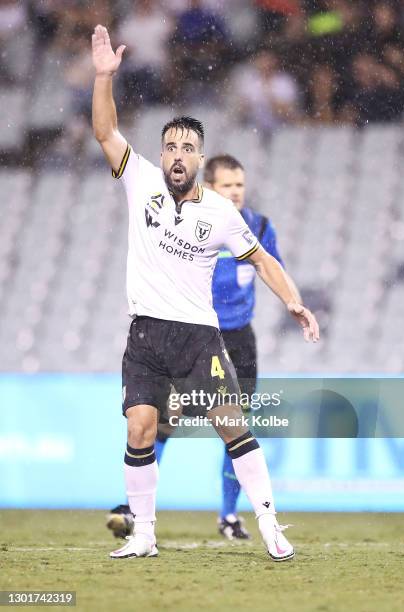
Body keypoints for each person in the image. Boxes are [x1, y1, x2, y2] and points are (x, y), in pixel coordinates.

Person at [92, 24, 319, 562]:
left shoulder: (220, 213)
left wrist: (294, 301)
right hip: (145, 332)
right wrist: (104, 80)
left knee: (231, 425)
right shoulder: (140, 181)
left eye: (187, 148)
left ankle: (268, 522)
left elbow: (262, 260)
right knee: (141, 426)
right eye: (170, 145)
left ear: (200, 159)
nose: (176, 154)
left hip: (199, 337)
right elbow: (105, 133)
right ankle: (143, 534)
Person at [106, 154, 301, 541]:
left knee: (236, 428)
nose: (236, 193)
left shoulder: (259, 226)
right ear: (211, 187)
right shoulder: (191, 223)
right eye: (228, 186)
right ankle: (136, 509)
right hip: (195, 336)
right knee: (164, 419)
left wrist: (293, 301)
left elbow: (269, 266)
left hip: (240, 340)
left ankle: (229, 516)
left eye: (240, 186)